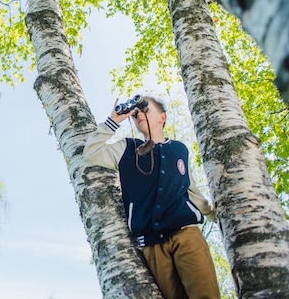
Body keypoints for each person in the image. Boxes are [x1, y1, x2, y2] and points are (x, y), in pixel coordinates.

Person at [83, 95, 220, 299]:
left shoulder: (179, 149)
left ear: (162, 117)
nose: (139, 115)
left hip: (186, 234)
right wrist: (115, 119)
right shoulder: (127, 149)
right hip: (151, 244)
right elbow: (92, 152)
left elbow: (190, 188)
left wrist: (212, 214)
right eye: (136, 113)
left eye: (146, 110)